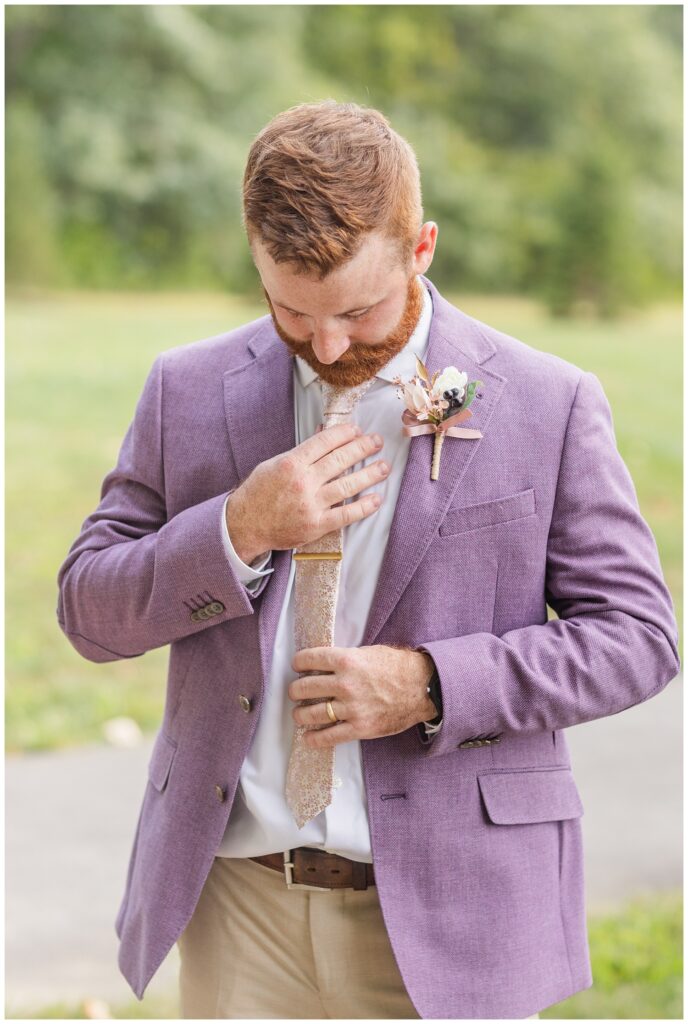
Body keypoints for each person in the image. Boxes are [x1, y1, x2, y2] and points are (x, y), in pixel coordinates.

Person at [56, 100, 680, 1020]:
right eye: (291, 312)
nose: (330, 346)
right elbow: (88, 610)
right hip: (239, 906)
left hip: (454, 911)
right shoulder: (183, 389)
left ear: (422, 248)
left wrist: (431, 682)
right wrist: (237, 527)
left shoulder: (549, 403)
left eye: (358, 309)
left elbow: (638, 639)